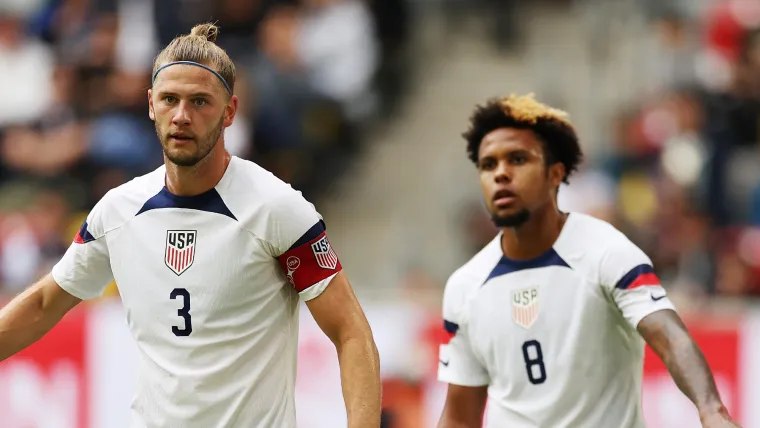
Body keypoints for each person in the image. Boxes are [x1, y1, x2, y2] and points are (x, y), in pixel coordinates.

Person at [0, 23, 381, 428]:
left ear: (230, 111)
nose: (182, 116)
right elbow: (43, 305)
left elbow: (350, 332)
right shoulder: (118, 212)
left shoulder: (275, 208)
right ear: (151, 104)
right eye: (170, 99)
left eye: (200, 102)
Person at [436, 94, 740, 428]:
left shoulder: (605, 251)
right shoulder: (465, 286)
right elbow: (459, 416)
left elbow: (669, 337)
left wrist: (712, 410)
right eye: (488, 164)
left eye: (518, 159)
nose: (501, 174)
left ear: (555, 174)